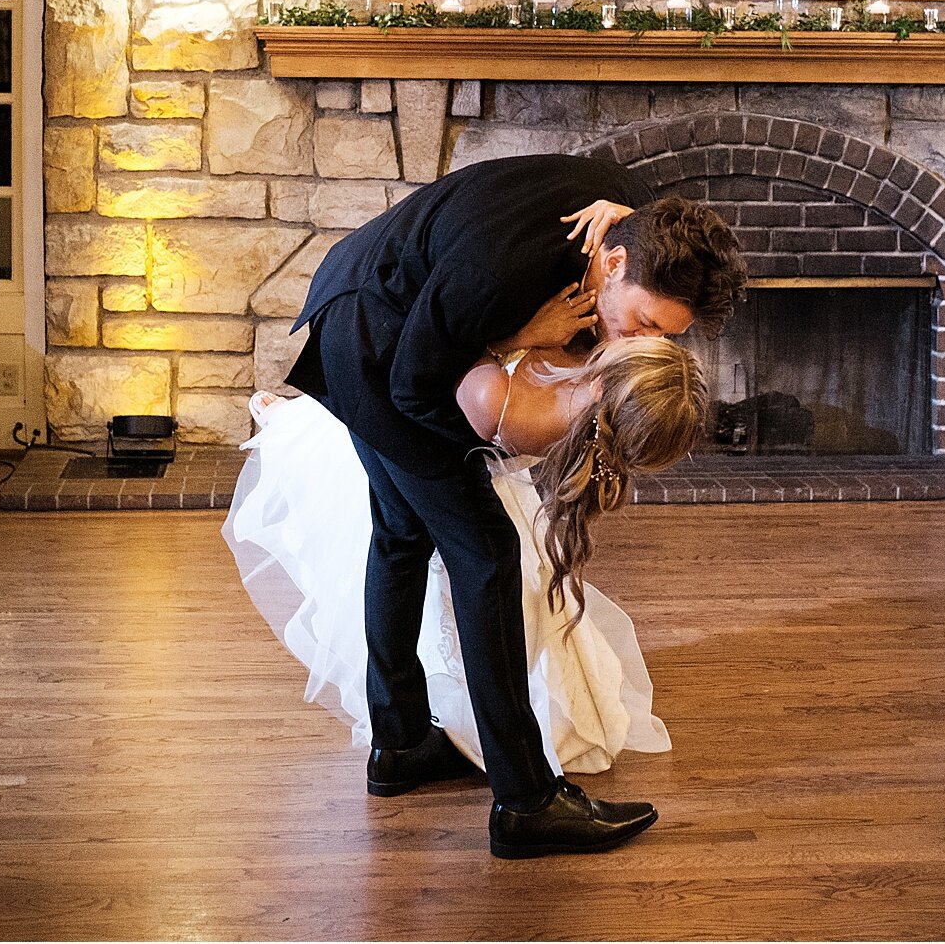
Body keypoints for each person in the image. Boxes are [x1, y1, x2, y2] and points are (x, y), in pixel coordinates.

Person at [274, 156, 744, 858]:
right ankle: (525, 801)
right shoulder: (499, 277)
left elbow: (647, 202)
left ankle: (399, 744)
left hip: (399, 310)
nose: (645, 343)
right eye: (643, 321)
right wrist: (524, 337)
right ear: (612, 262)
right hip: (374, 338)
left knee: (403, 533)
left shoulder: (638, 225)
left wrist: (619, 203)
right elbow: (413, 386)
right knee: (486, 551)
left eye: (665, 338)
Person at [229, 333, 707, 791]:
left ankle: (456, 734)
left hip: (441, 450)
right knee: (456, 576)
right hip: (441, 440)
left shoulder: (544, 414)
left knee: (445, 576)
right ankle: (442, 732)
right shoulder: (579, 395)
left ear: (605, 383)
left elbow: (457, 380)